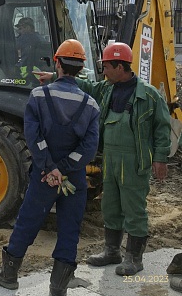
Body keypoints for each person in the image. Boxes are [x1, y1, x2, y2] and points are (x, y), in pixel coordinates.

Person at [35, 42, 171, 277]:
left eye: (107, 67)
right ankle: (112, 251)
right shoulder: (108, 88)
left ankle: (134, 258)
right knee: (111, 206)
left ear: (120, 66)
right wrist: (53, 77)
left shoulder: (148, 95)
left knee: (134, 209)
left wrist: (160, 159)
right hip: (111, 158)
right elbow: (88, 86)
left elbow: (162, 128)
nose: (104, 71)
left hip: (135, 161)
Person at [0, 39, 100, 296]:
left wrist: (50, 169)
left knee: (28, 221)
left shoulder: (38, 95)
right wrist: (66, 169)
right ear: (81, 68)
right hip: (73, 180)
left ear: (57, 63)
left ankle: (9, 275)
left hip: (46, 177)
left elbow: (34, 137)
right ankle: (58, 287)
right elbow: (89, 148)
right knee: (69, 228)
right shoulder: (91, 105)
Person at [15, 17, 47, 83]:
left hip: (26, 74)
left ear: (28, 27)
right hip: (38, 74)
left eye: (21, 28)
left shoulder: (25, 38)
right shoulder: (40, 38)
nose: (19, 31)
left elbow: (13, 48)